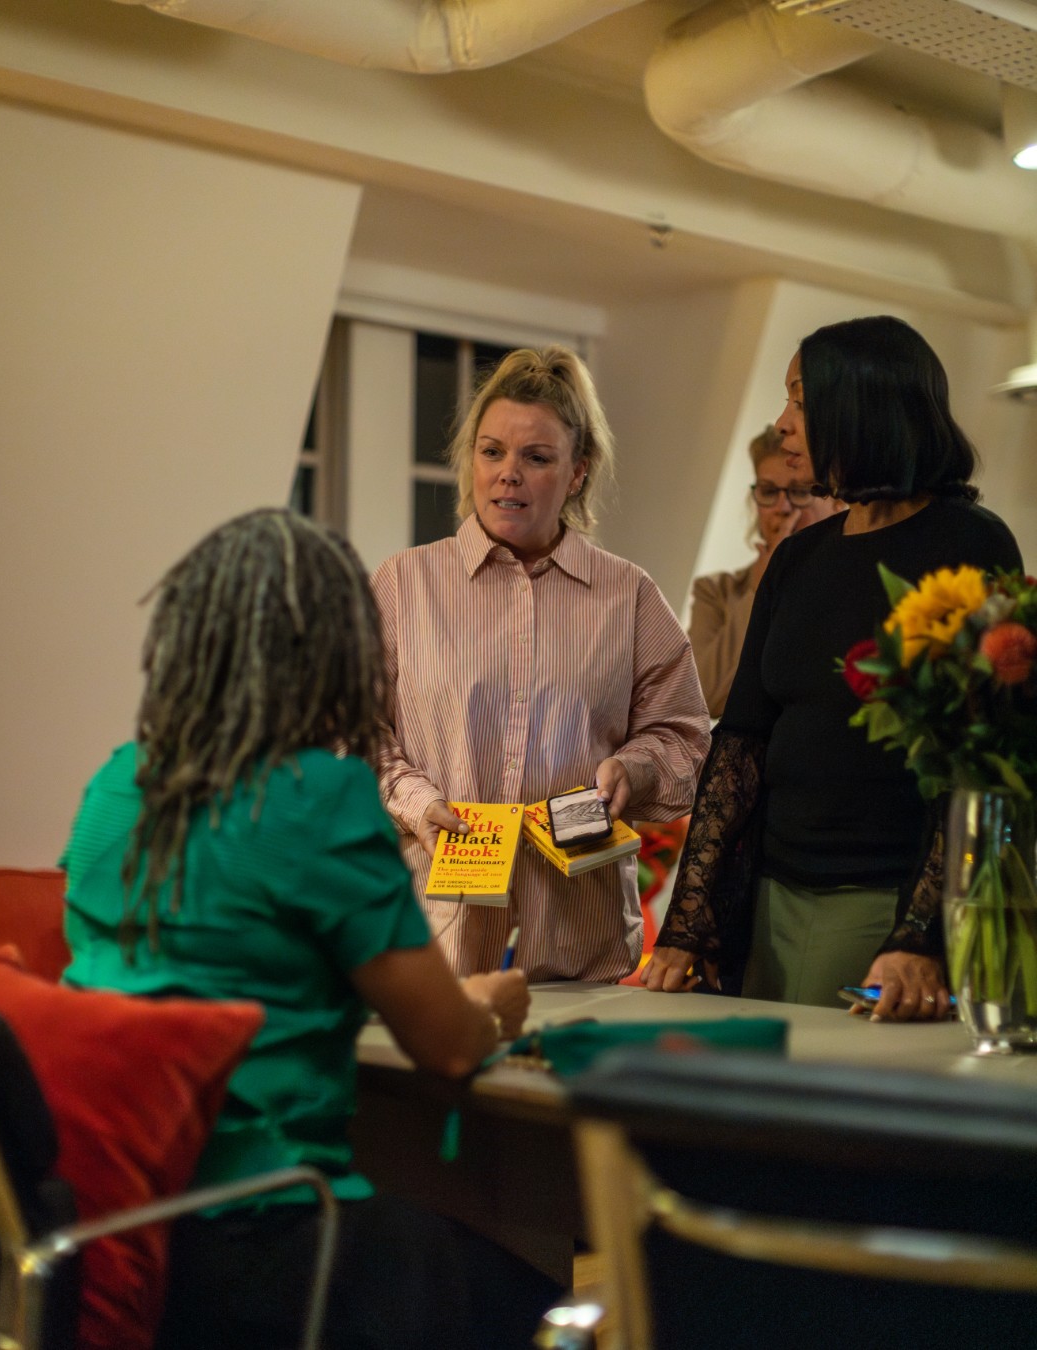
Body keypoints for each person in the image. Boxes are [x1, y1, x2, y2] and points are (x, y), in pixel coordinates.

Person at [59, 508, 557, 1350]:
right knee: (548, 1310)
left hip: (114, 1220)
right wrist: (491, 1005)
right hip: (266, 1232)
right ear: (334, 657)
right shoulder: (318, 798)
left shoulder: (117, 782)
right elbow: (448, 1048)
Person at [641, 315, 1024, 1020]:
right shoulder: (799, 556)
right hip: (772, 894)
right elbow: (742, 740)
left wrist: (921, 933)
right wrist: (690, 921)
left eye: (800, 399)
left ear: (859, 407)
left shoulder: (969, 542)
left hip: (880, 903)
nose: (783, 423)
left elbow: (977, 761)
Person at [372, 346, 711, 982]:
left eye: (536, 457)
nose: (509, 474)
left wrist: (633, 770)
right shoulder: (402, 584)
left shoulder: (630, 596)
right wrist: (415, 801)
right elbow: (347, 733)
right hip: (428, 943)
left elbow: (685, 737)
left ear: (578, 472)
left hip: (579, 947)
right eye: (492, 451)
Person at [689, 425, 841, 717]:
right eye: (769, 491)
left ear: (838, 501)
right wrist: (759, 592)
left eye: (799, 491)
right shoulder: (716, 592)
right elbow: (703, 699)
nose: (782, 507)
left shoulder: (850, 588)